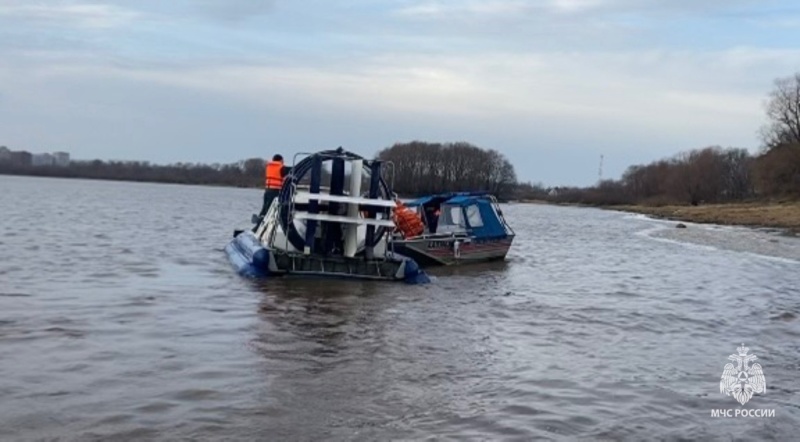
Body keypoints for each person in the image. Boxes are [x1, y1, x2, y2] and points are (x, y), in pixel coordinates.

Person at [254, 154, 290, 229]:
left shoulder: (269, 166)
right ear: (280, 160)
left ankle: (258, 225)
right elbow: (291, 170)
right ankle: (259, 227)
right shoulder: (281, 168)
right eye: (283, 161)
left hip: (267, 190)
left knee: (264, 209)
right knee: (270, 210)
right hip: (275, 191)